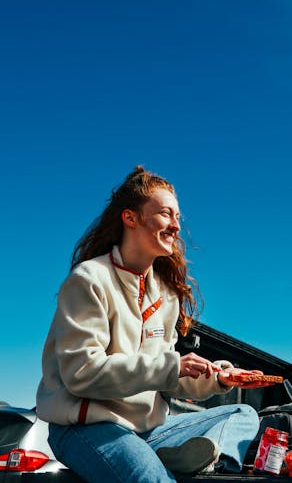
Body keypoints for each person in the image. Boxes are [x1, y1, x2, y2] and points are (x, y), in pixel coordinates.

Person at [36, 166, 275, 482]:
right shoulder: (89, 281)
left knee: (242, 414)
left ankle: (206, 459)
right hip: (88, 427)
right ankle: (164, 464)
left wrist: (216, 378)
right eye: (166, 214)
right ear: (130, 218)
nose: (176, 226)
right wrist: (171, 366)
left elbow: (165, 379)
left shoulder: (165, 295)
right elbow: (82, 373)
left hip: (149, 431)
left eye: (178, 217)